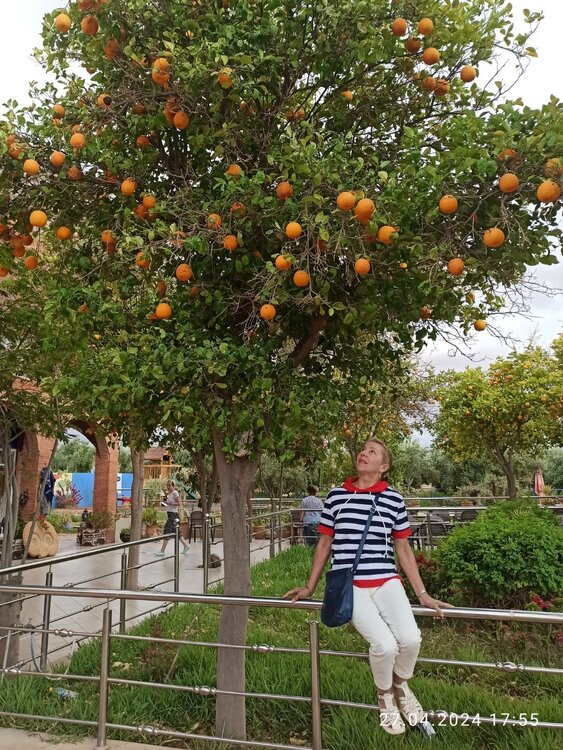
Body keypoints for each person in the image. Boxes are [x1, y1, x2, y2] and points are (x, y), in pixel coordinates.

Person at [284, 437, 451, 736]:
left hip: (386, 580)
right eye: (363, 450)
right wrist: (310, 586)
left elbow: (403, 549)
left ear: (383, 466)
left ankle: (400, 685)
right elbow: (324, 543)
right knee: (384, 645)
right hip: (351, 585)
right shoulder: (336, 496)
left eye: (371, 452)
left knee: (411, 639)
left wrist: (423, 594)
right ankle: (384, 696)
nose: (363, 453)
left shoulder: (393, 499)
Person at [154, 480, 190, 556]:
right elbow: (170, 504)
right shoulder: (170, 494)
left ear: (173, 486)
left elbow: (179, 503)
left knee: (166, 531)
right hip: (170, 514)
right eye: (167, 485)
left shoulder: (175, 493)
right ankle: (186, 546)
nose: (168, 487)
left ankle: (162, 551)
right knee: (177, 532)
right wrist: (166, 503)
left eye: (170, 485)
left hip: (173, 515)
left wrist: (170, 503)